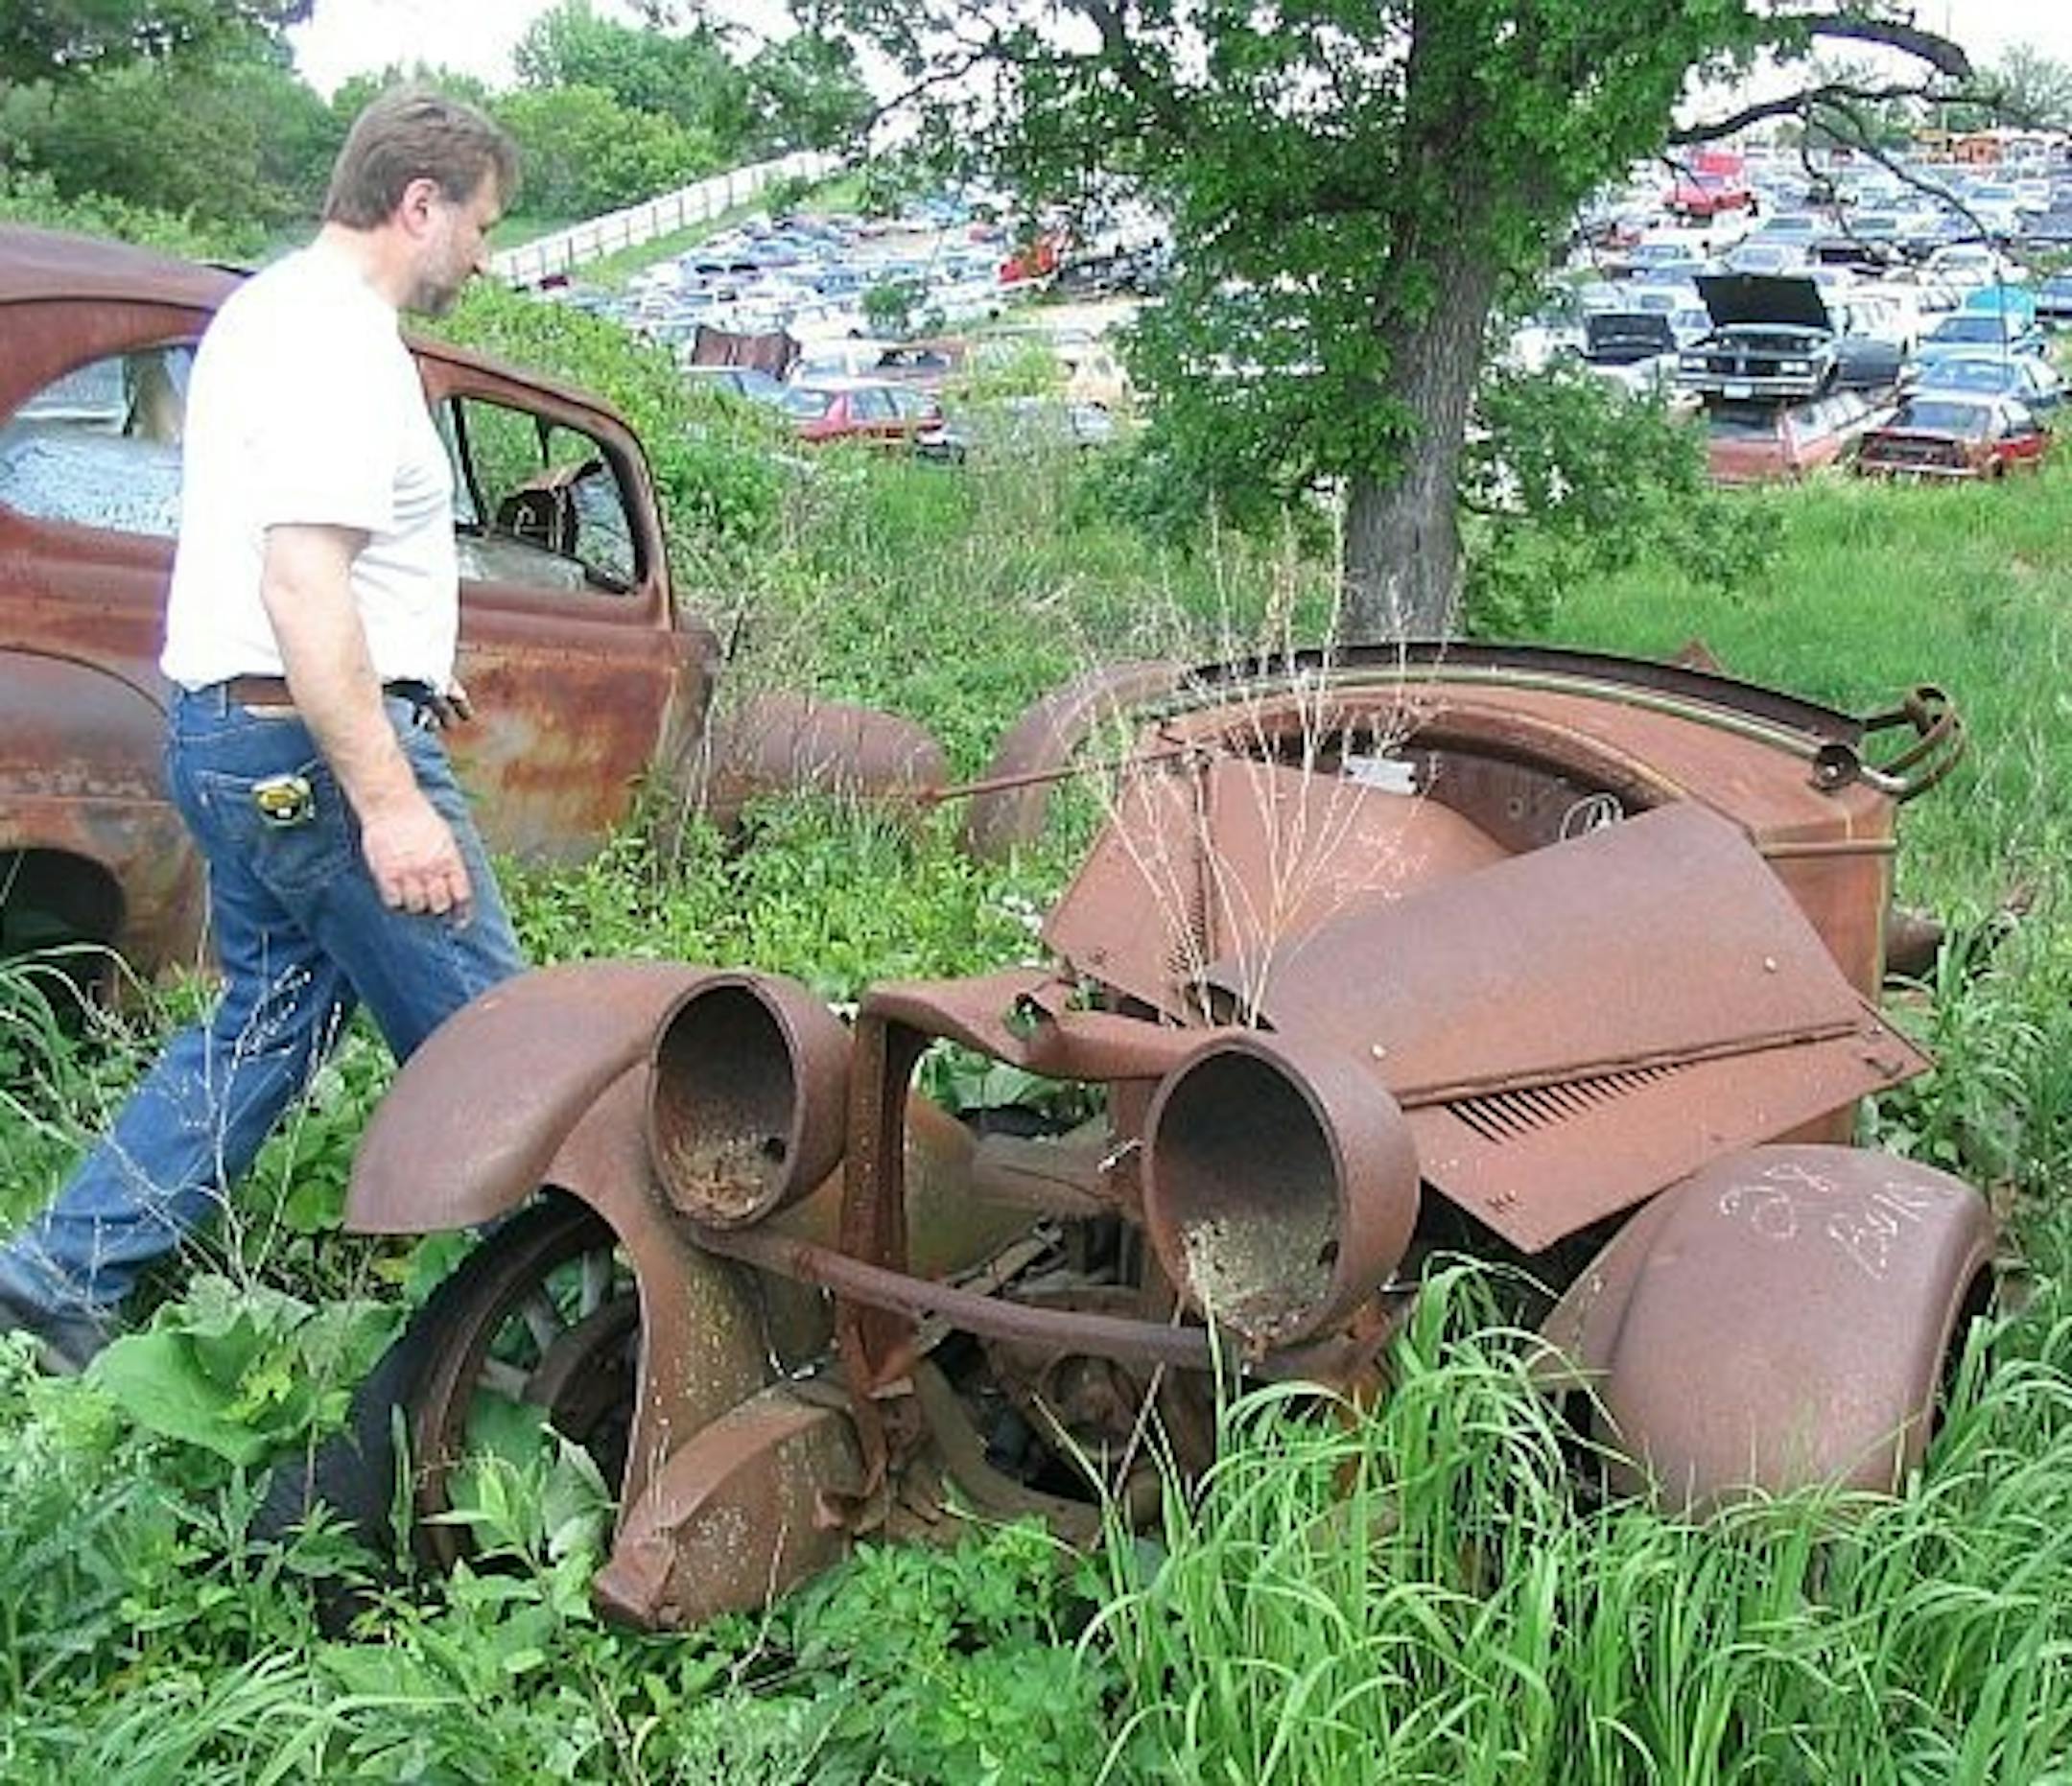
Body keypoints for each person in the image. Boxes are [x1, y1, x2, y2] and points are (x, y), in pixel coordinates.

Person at [0, 90, 528, 1372]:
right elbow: (302, 580)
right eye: (481, 225)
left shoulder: (264, 312)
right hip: (312, 751)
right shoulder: (344, 345)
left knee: (267, 1022)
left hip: (237, 732)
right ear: (420, 204)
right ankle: (580, 1320)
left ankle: (53, 1273)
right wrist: (391, 796)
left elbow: (295, 562)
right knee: (513, 1049)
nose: (484, 255)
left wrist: (405, 670)